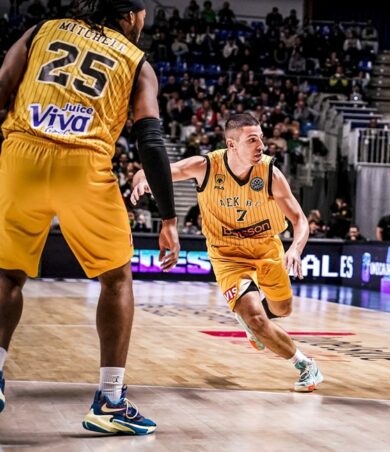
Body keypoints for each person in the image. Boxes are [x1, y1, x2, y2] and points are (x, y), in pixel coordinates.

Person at [0, 0, 180, 434]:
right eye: (143, 15)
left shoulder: (42, 30)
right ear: (130, 15)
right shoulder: (137, 61)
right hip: (83, 164)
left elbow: (2, 85)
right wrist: (169, 218)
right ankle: (110, 401)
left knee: (6, 273)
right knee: (116, 278)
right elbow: (150, 140)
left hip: (21, 154)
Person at [131, 113, 323, 392]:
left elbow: (300, 220)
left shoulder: (270, 173)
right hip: (227, 255)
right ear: (231, 144)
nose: (261, 145)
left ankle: (256, 323)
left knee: (282, 308)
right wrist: (140, 179)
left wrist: (295, 248)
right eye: (252, 140)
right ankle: (305, 365)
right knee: (255, 319)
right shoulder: (205, 166)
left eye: (261, 138)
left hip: (266, 248)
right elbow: (151, 169)